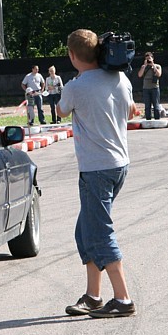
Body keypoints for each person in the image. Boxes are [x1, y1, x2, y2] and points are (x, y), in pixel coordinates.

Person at [56, 29, 137, 318]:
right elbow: (131, 112)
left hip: (95, 169)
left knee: (100, 232)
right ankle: (93, 296)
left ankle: (123, 299)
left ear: (73, 55)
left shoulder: (75, 87)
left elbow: (61, 111)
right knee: (86, 230)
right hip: (119, 165)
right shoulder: (121, 78)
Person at [137, 52, 163, 120]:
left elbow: (159, 74)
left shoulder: (157, 66)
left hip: (155, 88)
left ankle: (157, 119)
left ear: (153, 59)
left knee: (156, 105)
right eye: (147, 59)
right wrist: (144, 66)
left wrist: (153, 65)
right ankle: (148, 119)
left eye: (149, 59)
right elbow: (139, 75)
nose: (148, 60)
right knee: (147, 105)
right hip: (146, 88)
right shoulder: (143, 67)